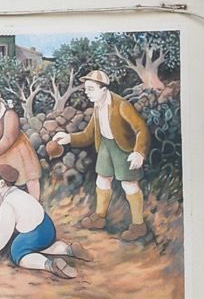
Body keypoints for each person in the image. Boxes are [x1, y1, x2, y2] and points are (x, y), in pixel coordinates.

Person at [53, 71, 152, 241]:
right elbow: (88, 135)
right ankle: (99, 217)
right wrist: (68, 138)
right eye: (86, 89)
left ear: (104, 89)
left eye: (90, 89)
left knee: (129, 184)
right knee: (102, 180)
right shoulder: (97, 107)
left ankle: (138, 226)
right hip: (106, 146)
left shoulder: (121, 105)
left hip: (124, 148)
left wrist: (138, 152)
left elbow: (141, 128)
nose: (87, 93)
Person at [0, 164, 81, 278]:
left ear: (2, 183)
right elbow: (20, 213)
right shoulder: (19, 194)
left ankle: (50, 265)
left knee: (18, 252)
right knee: (42, 246)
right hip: (48, 228)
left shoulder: (8, 204)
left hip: (35, 234)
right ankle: (68, 249)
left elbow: (3, 234)